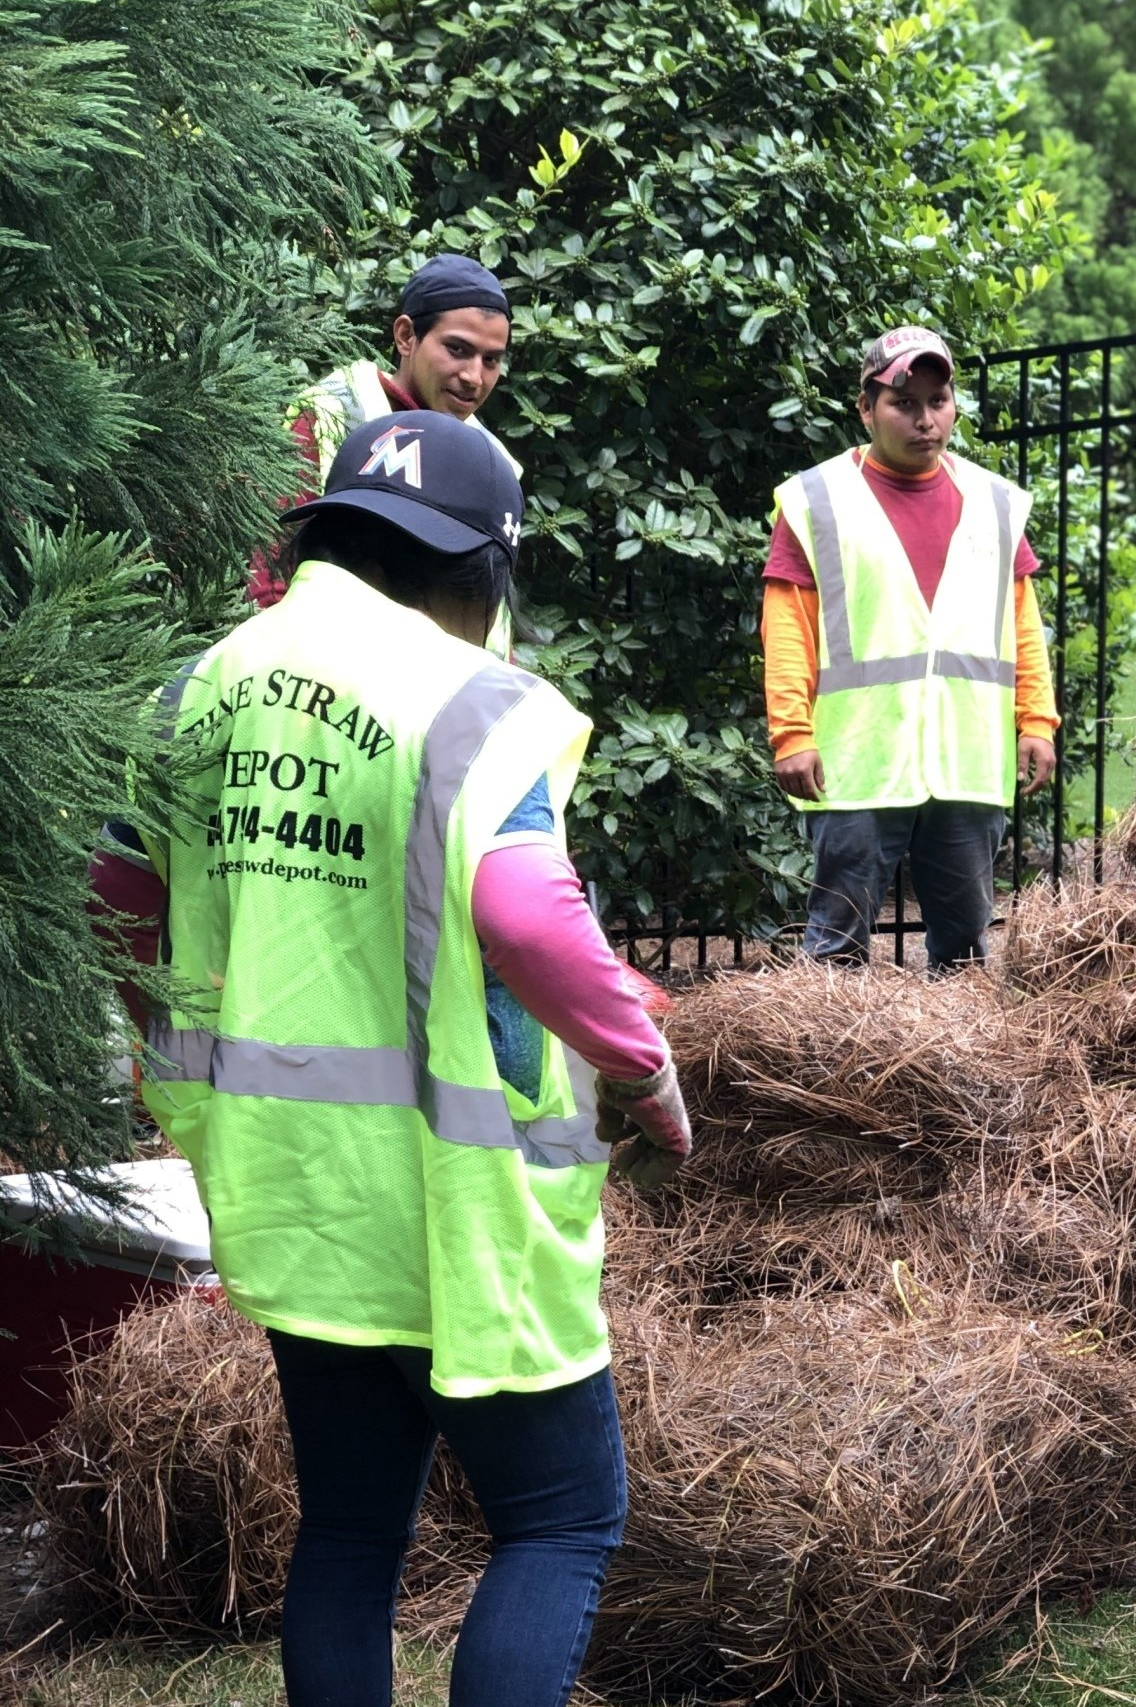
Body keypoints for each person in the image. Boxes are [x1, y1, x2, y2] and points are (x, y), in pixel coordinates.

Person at [90, 411, 689, 1707]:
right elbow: (532, 918)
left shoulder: (199, 686)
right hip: (464, 1201)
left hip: (293, 1188)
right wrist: (642, 1066)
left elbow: (114, 894)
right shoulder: (471, 701)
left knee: (352, 1531)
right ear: (477, 574)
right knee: (561, 1519)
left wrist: (163, 1050)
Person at [760, 325, 1059, 969]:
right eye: (904, 403)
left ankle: (960, 1070)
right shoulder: (816, 500)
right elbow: (787, 627)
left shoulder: (994, 502)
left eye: (938, 400)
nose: (925, 419)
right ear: (866, 408)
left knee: (966, 949)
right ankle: (822, 1066)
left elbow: (1022, 624)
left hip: (966, 759)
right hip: (857, 761)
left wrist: (1036, 721)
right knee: (836, 945)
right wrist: (792, 733)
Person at [245, 253, 517, 609]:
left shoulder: (495, 463)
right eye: (457, 349)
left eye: (491, 360)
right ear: (406, 336)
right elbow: (272, 575)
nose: (473, 376)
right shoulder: (334, 414)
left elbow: (494, 613)